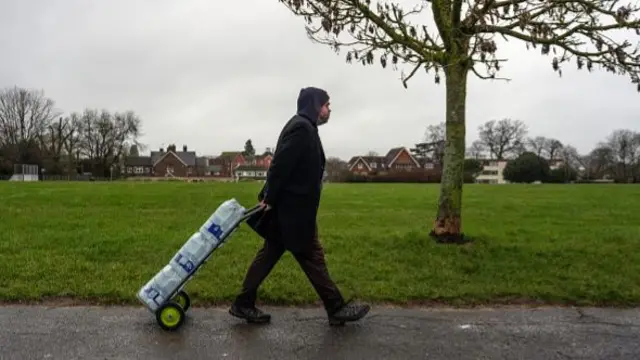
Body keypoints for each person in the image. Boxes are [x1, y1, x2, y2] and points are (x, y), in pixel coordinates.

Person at [229, 86, 370, 326]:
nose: (329, 110)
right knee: (311, 256)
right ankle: (335, 307)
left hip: (292, 211)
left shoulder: (304, 127)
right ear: (315, 105)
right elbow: (279, 166)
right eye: (326, 105)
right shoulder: (301, 128)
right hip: (292, 212)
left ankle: (243, 303)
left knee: (272, 255)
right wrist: (270, 199)